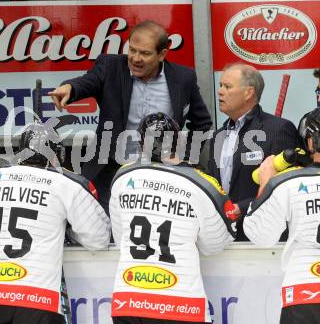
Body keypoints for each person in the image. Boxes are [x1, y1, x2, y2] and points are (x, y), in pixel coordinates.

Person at [49, 20, 212, 213]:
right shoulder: (110, 67)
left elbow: (202, 123)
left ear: (162, 54)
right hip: (111, 170)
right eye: (132, 50)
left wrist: (184, 158)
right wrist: (70, 88)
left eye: (145, 53)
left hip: (162, 174)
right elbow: (88, 82)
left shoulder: (183, 78)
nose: (135, 58)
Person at [0, 122, 111, 324]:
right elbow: (98, 239)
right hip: (36, 298)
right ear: (56, 155)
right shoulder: (66, 183)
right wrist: (67, 230)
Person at [109, 112, 235, 324]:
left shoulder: (122, 177)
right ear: (179, 142)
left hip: (129, 302)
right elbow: (215, 245)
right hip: (182, 304)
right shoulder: (201, 183)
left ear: (140, 142)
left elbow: (120, 236)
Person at [208, 63, 302, 241]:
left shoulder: (279, 129)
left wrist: (241, 208)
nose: (220, 91)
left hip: (264, 236)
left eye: (227, 87)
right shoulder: (219, 135)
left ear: (248, 92)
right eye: (220, 85)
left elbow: (287, 187)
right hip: (223, 236)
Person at [244, 107, 320, 324]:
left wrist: (267, 179)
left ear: (310, 141)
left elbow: (260, 235)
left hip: (306, 292)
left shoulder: (289, 182)